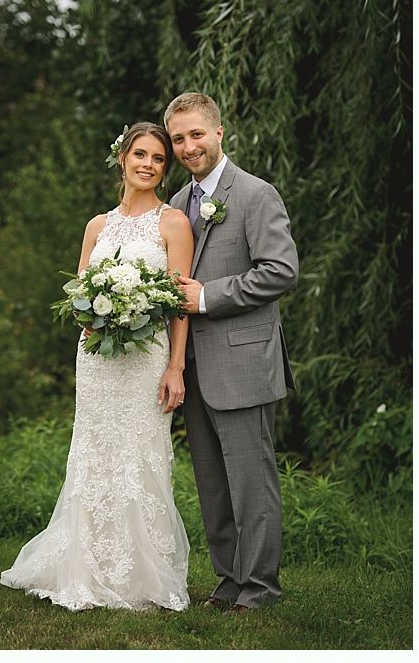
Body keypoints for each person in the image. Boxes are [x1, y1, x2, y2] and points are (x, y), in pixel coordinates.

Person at [1, 122, 193, 611]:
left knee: (141, 457)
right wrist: (94, 313)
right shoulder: (97, 226)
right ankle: (85, 565)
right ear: (122, 158)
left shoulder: (173, 224)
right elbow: (79, 294)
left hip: (146, 360)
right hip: (98, 362)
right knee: (94, 455)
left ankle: (139, 573)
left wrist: (176, 368)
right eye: (141, 155)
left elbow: (180, 305)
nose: (148, 165)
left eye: (158, 159)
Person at [165, 92, 299, 614]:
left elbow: (280, 270)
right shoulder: (177, 205)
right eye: (178, 138)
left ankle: (260, 588)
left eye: (196, 134)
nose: (187, 146)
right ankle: (227, 581)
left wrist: (208, 296)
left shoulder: (256, 194)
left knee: (250, 484)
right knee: (212, 485)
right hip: (191, 367)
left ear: (219, 133)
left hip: (242, 360)